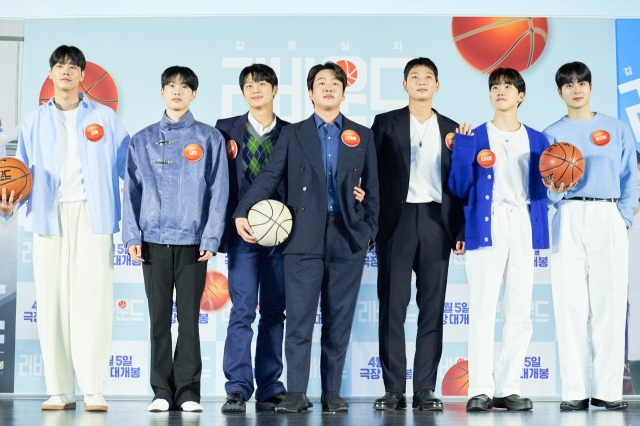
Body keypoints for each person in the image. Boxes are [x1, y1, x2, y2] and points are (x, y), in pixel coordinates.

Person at [232, 61, 379, 413]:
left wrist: (369, 229)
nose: (328, 88)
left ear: (344, 92)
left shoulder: (362, 134)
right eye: (321, 83)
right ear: (310, 93)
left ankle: (332, 393)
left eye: (335, 83)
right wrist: (242, 211)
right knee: (298, 319)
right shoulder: (293, 134)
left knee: (338, 320)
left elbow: (375, 189)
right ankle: (296, 392)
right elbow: (269, 177)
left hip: (347, 236)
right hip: (302, 236)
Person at [0, 45, 130, 411]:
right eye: (60, 66)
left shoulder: (104, 119)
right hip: (47, 216)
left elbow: (129, 170)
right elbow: (18, 174)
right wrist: (9, 206)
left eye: (73, 66)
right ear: (51, 74)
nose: (66, 71)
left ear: (83, 76)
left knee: (94, 301)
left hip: (93, 215)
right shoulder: (33, 122)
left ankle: (92, 388)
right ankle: (58, 389)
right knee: (53, 302)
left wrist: (138, 220)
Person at [122, 66, 228, 413]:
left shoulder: (209, 138)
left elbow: (218, 191)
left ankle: (188, 392)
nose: (177, 91)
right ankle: (160, 391)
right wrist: (132, 235)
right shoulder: (142, 139)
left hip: (193, 241)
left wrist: (211, 235)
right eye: (170, 86)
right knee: (157, 320)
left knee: (188, 320)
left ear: (194, 94)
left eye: (184, 87)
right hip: (152, 239)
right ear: (161, 92)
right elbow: (131, 192)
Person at [449, 68, 549, 412]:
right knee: (481, 311)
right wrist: (462, 148)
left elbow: (544, 192)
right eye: (495, 86)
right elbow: (459, 187)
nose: (500, 90)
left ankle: (509, 387)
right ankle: (479, 388)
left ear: (521, 95)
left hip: (522, 224)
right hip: (485, 226)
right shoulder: (474, 135)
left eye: (508, 86)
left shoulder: (538, 140)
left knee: (520, 312)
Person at [370, 57, 466, 411]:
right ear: (404, 85)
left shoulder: (453, 129)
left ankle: (425, 387)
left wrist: (460, 229)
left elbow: (460, 185)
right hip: (395, 222)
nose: (421, 82)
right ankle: (393, 388)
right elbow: (372, 173)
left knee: (432, 308)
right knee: (392, 307)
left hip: (436, 222)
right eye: (415, 77)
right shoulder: (385, 123)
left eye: (428, 77)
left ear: (437, 85)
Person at [543, 61, 637, 411]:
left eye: (582, 82)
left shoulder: (616, 129)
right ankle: (574, 391)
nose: (576, 89)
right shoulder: (551, 133)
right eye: (568, 85)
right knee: (569, 304)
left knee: (609, 305)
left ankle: (609, 390)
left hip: (607, 214)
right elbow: (547, 188)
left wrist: (623, 217)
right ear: (559, 92)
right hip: (568, 215)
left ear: (591, 87)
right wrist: (556, 191)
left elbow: (630, 176)